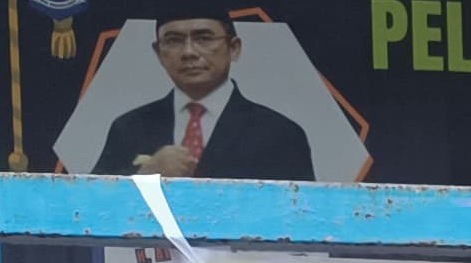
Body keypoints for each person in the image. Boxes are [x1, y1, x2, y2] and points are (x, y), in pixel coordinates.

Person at [102, 8, 315, 182]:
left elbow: (303, 218)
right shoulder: (129, 128)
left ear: (234, 48)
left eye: (203, 38)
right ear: (158, 53)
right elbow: (91, 206)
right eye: (174, 40)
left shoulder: (280, 134)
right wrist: (144, 176)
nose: (189, 52)